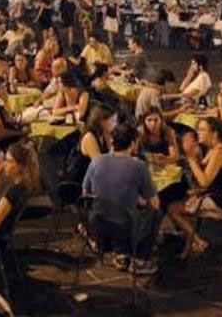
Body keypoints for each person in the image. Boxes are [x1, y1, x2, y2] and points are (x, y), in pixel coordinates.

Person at [82, 122, 160, 275]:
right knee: (155, 212)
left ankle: (122, 254)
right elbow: (155, 203)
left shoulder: (97, 161)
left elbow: (85, 191)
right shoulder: (138, 166)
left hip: (97, 226)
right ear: (132, 143)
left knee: (121, 210)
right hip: (125, 227)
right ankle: (140, 260)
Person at [183, 117, 222, 230]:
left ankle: (193, 242)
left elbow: (204, 182)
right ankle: (191, 237)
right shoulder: (216, 148)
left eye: (202, 130)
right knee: (182, 195)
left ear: (214, 133)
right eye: (198, 130)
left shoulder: (219, 152)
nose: (198, 133)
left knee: (174, 207)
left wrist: (190, 158)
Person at [64, 103, 117, 184]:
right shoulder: (89, 137)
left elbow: (111, 158)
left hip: (94, 176)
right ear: (102, 121)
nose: (115, 124)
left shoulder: (105, 134)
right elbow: (100, 165)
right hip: (80, 180)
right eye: (113, 121)